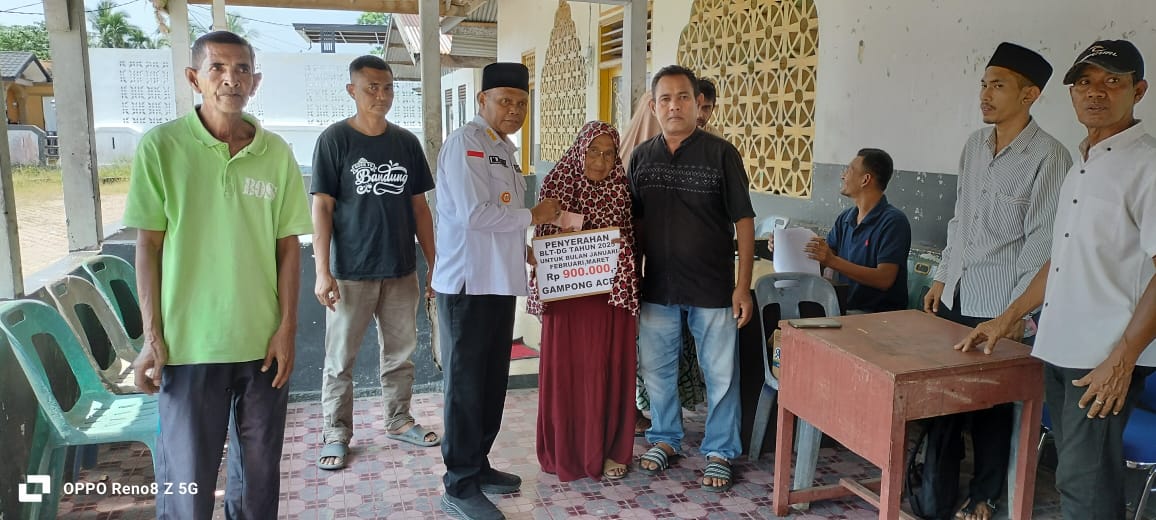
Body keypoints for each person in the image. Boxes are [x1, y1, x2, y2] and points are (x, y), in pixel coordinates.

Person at [956, 39, 1155, 520]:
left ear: (1139, 91)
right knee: (1077, 479)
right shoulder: (1083, 163)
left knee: (1084, 489)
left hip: (1104, 358)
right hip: (1062, 346)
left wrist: (1122, 360)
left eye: (1113, 81)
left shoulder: (1146, 165)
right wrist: (1007, 318)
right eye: (1084, 82)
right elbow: (1061, 260)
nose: (1095, 92)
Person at [123, 31, 312, 519]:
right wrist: (152, 337)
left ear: (256, 81)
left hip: (262, 346)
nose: (231, 79)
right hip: (189, 346)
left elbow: (288, 248)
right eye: (218, 68)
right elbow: (148, 246)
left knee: (259, 485)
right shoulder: (162, 147)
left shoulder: (275, 153)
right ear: (195, 79)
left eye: (242, 69)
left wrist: (287, 329)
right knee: (187, 487)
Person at [920, 42, 1071, 520]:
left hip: (1001, 307)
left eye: (998, 85)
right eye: (984, 84)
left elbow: (1042, 243)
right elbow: (958, 219)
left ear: (1029, 95)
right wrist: (942, 277)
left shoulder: (1050, 156)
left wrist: (1015, 316)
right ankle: (935, 495)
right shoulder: (974, 146)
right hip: (958, 293)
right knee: (943, 401)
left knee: (991, 407)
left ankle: (984, 495)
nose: (985, 95)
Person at [431, 62, 562, 520]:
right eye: (505, 100)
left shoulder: (503, 149)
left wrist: (520, 248)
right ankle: (459, 484)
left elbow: (496, 219)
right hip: (467, 285)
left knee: (490, 384)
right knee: (466, 387)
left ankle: (478, 463)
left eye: (522, 102)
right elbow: (474, 214)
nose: (514, 110)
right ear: (482, 100)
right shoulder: (465, 143)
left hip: (498, 282)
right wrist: (534, 215)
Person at [630, 65, 755, 493]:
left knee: (720, 374)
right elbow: (636, 225)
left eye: (682, 97)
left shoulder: (721, 154)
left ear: (697, 103)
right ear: (653, 106)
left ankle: (720, 450)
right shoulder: (642, 158)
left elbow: (743, 221)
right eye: (665, 99)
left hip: (713, 287)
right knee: (657, 370)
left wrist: (742, 287)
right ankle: (665, 438)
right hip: (658, 287)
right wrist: (633, 280)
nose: (674, 106)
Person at [311, 55, 439, 471]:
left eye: (387, 88)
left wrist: (434, 263)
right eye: (371, 88)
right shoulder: (334, 141)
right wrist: (322, 272)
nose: (381, 96)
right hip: (350, 273)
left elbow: (420, 209)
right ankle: (336, 432)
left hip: (401, 270)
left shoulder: (406, 143)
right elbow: (322, 208)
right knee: (340, 360)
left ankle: (399, 420)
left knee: (401, 355)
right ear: (352, 90)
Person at [527, 120, 640, 482]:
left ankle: (606, 449)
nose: (601, 161)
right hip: (567, 300)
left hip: (609, 298)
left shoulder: (620, 188)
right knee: (570, 371)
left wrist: (618, 248)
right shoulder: (557, 182)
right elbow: (544, 239)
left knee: (604, 369)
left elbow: (629, 237)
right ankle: (567, 450)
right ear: (580, 150)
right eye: (593, 151)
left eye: (609, 154)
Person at [805, 148, 911, 313]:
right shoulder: (846, 218)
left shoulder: (893, 221)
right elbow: (822, 258)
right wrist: (787, 247)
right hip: (845, 309)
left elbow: (884, 279)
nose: (843, 176)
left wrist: (832, 261)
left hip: (879, 316)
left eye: (849, 170)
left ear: (865, 180)